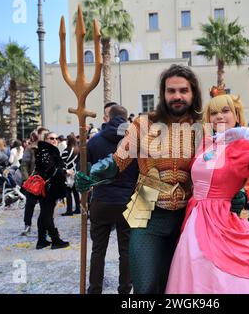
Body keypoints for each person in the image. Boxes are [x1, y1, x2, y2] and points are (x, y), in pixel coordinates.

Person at [77, 64, 203, 294]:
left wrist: (235, 191)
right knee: (145, 288)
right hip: (146, 210)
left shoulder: (204, 127)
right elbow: (118, 160)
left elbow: (220, 168)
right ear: (163, 94)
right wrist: (94, 174)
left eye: (183, 90)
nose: (177, 96)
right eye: (171, 90)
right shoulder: (143, 124)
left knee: (176, 287)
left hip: (188, 216)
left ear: (193, 93)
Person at [165, 90, 249, 294]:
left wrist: (246, 133)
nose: (219, 116)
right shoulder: (205, 144)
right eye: (214, 113)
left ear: (236, 115)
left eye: (226, 111)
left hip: (221, 219)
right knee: (194, 269)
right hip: (194, 217)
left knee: (225, 274)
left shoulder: (242, 148)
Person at [86, 105, 139, 294]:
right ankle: (125, 289)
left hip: (102, 199)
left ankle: (95, 289)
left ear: (108, 118)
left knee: (98, 250)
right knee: (126, 250)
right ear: (125, 119)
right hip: (127, 200)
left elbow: (86, 172)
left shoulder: (94, 141)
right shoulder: (135, 141)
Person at [34, 132, 69, 250]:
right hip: (47, 188)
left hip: (49, 187)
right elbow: (49, 170)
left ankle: (41, 240)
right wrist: (65, 172)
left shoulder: (47, 151)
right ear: (46, 139)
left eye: (56, 138)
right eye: (51, 138)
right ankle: (55, 240)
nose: (54, 140)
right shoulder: (46, 152)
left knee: (44, 214)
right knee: (47, 214)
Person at [20, 131, 40, 236]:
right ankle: (27, 225)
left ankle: (47, 227)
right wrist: (26, 180)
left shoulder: (49, 148)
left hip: (46, 181)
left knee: (47, 207)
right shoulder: (30, 149)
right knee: (30, 204)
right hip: (33, 181)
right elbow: (24, 166)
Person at [61, 134, 81, 216]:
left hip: (68, 174)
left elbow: (62, 162)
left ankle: (69, 210)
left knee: (68, 193)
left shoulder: (66, 150)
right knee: (76, 192)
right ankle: (77, 209)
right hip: (76, 173)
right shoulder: (78, 149)